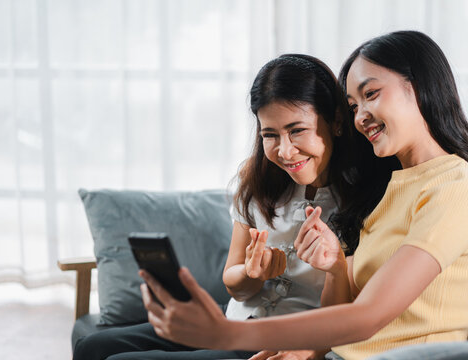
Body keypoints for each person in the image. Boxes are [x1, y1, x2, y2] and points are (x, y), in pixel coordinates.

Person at [137, 30, 468, 360]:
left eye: (371, 94)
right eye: (354, 106)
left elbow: (367, 316)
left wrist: (226, 333)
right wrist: (308, 342)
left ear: (420, 86)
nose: (360, 117)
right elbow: (348, 302)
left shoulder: (456, 189)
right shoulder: (396, 185)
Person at [73, 53, 386, 360]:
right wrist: (252, 274)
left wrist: (335, 272)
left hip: (280, 337)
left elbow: (351, 315)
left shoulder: (366, 198)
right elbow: (234, 284)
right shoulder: (259, 181)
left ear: (336, 123)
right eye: (270, 135)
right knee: (92, 347)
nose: (285, 151)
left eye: (297, 130)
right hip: (232, 320)